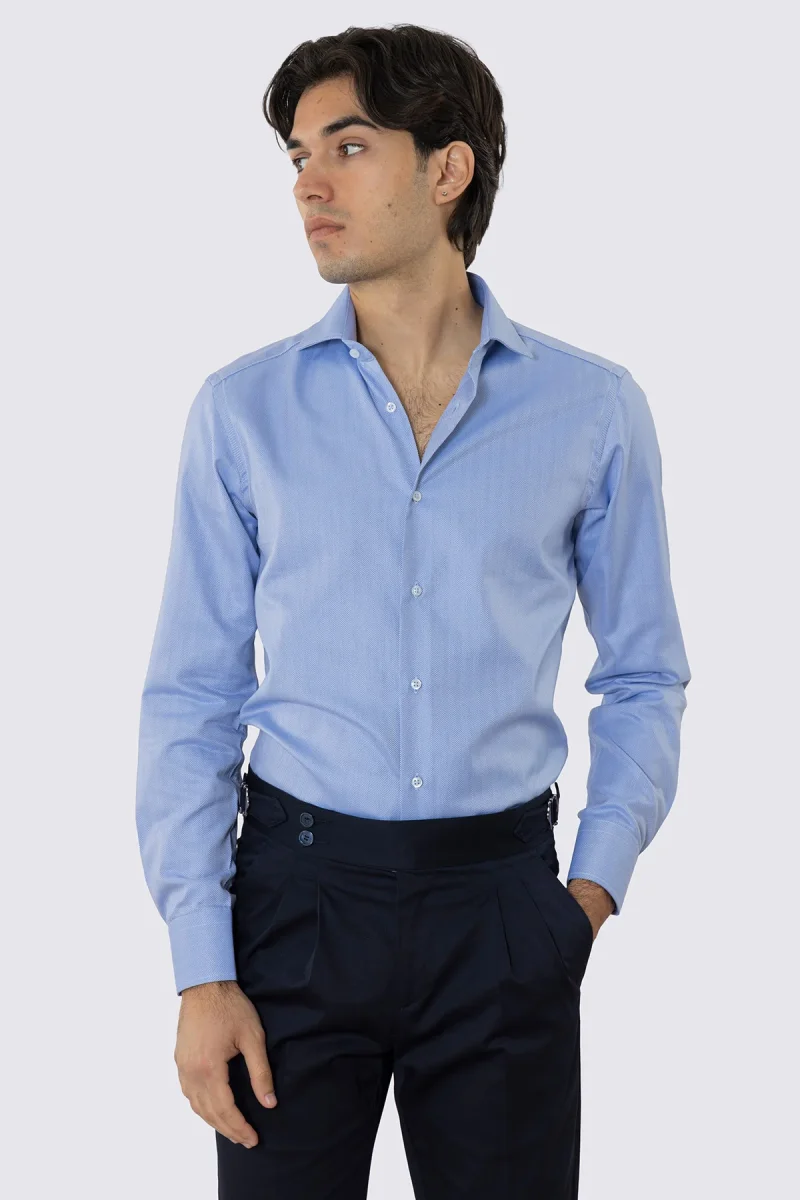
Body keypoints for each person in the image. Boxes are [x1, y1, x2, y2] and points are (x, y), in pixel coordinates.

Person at [135, 23, 691, 1199]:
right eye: (297, 156)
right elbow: (192, 695)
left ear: (448, 170)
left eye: (347, 147)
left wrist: (584, 898)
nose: (308, 185)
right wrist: (200, 969)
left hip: (503, 914)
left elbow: (642, 673)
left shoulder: (591, 410)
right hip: (293, 909)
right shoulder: (241, 412)